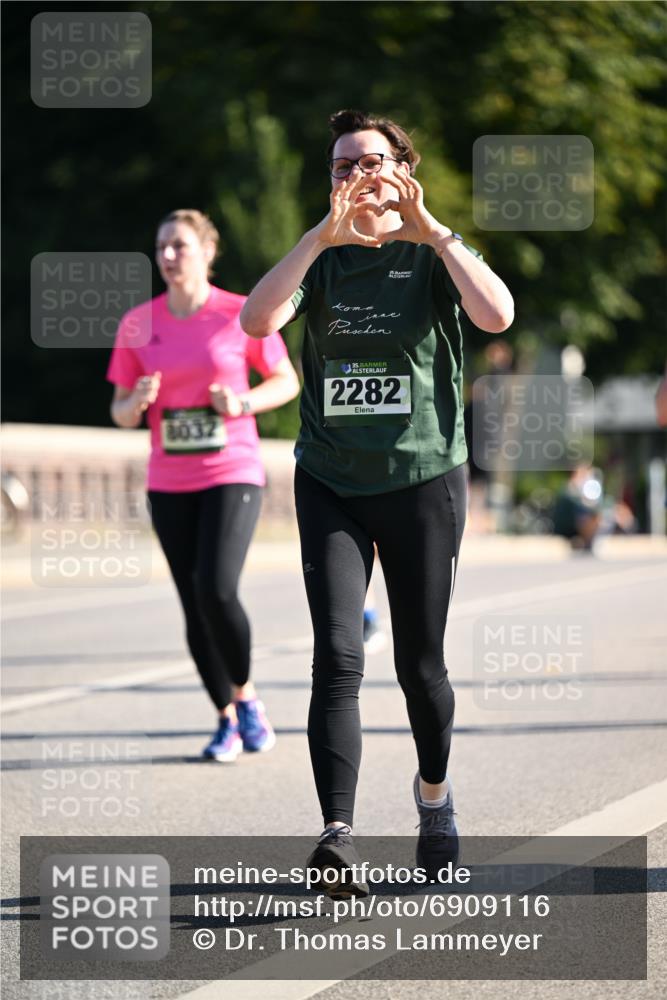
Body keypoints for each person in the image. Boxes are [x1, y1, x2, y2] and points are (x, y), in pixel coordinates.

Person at [240, 109, 513, 895]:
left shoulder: (433, 252)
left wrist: (431, 231)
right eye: (339, 166)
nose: (355, 176)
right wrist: (315, 240)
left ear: (402, 168)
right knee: (337, 654)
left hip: (424, 478)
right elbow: (256, 321)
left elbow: (496, 315)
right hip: (330, 480)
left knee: (418, 664)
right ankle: (337, 835)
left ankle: (433, 797)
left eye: (369, 161)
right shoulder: (318, 259)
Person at [107, 209, 299, 762]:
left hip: (231, 469)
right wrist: (136, 401)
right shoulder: (138, 324)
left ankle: (248, 702)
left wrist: (240, 402)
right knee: (193, 604)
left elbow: (285, 381)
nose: (168, 256)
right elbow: (119, 412)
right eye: (162, 246)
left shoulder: (239, 313)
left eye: (180, 246)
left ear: (207, 252)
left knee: (217, 586)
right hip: (169, 478)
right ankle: (227, 716)